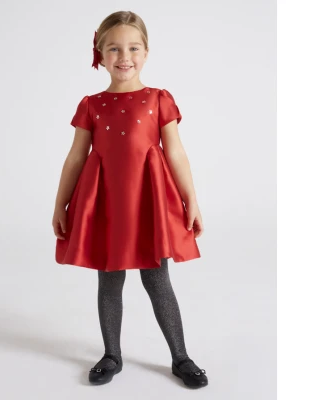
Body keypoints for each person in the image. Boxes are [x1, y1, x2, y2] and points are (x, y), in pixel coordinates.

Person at [52, 11, 208, 388]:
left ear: (146, 52)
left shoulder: (159, 99)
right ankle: (112, 355)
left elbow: (176, 153)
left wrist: (191, 200)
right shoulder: (91, 104)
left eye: (133, 48)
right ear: (100, 54)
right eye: (114, 48)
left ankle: (181, 357)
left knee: (157, 280)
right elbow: (75, 157)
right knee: (110, 281)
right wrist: (61, 203)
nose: (125, 56)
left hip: (149, 204)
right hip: (107, 204)